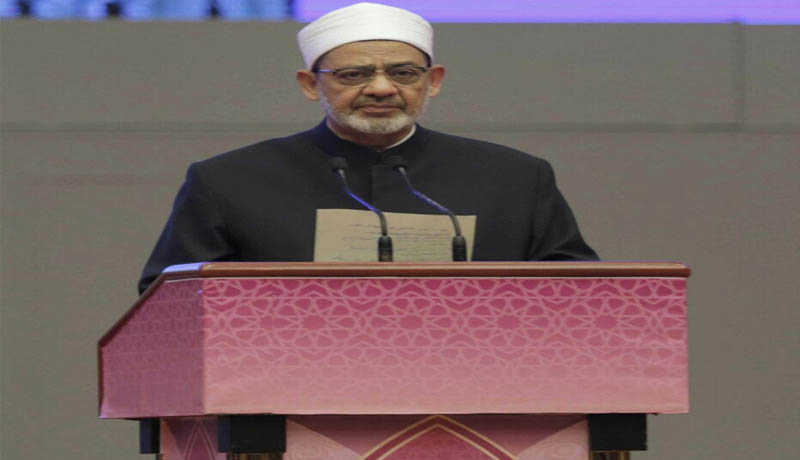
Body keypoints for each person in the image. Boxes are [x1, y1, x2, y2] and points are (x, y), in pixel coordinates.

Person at [138, 2, 597, 293]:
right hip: (290, 399)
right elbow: (171, 300)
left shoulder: (515, 177)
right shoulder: (229, 181)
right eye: (353, 75)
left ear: (433, 81)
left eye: (403, 73)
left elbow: (579, 293)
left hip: (481, 395)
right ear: (310, 85)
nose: (381, 88)